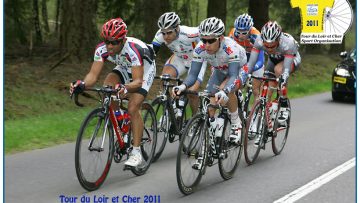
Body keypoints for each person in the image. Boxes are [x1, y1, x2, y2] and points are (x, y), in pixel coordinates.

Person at [69, 18, 156, 167]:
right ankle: (120, 122)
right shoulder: (101, 49)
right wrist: (82, 84)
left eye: (114, 42)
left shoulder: (133, 50)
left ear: (123, 40)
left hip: (143, 70)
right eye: (107, 41)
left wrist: (125, 88)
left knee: (133, 107)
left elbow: (137, 81)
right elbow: (93, 76)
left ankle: (136, 153)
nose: (109, 46)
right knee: (107, 87)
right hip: (124, 66)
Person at [173, 17, 247, 146]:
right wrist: (183, 87)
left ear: (221, 38)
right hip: (219, 70)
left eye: (211, 41)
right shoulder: (200, 49)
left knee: (226, 90)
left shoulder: (230, 48)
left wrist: (225, 90)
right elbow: (193, 75)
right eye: (204, 40)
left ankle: (236, 123)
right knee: (210, 108)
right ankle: (216, 136)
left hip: (238, 69)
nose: (207, 45)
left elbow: (233, 75)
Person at [246, 21, 301, 144]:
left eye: (272, 45)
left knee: (279, 71)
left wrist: (283, 78)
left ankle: (283, 103)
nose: (269, 48)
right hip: (273, 60)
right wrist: (245, 74)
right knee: (264, 92)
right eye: (267, 46)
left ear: (278, 39)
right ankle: (263, 125)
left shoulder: (288, 43)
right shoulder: (259, 41)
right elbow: (251, 64)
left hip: (290, 59)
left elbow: (285, 70)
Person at [152, 12, 207, 115]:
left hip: (196, 59)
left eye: (169, 32)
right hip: (179, 58)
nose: (165, 36)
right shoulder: (159, 35)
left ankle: (196, 119)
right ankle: (172, 109)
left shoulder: (189, 33)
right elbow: (151, 54)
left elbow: (207, 34)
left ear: (177, 28)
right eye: (163, 33)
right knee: (165, 79)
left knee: (191, 92)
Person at [228, 13, 265, 100]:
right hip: (242, 58)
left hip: (255, 59)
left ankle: (258, 111)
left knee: (256, 90)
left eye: (244, 33)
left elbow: (261, 60)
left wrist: (251, 69)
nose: (240, 36)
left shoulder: (256, 35)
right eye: (238, 32)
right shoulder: (232, 34)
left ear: (250, 30)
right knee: (234, 83)